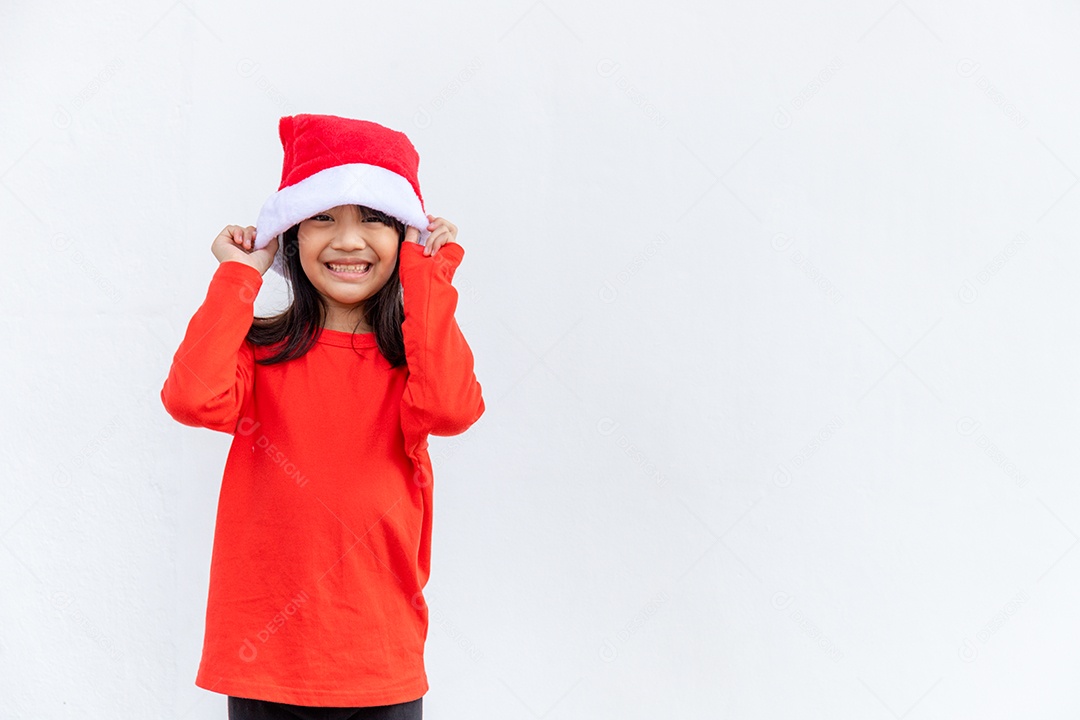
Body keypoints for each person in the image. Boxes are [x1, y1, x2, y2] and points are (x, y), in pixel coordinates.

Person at [160, 114, 485, 720]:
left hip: (379, 663)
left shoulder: (414, 363)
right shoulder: (257, 351)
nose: (348, 240)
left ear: (406, 237)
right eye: (323, 217)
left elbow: (451, 408)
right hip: (265, 666)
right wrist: (239, 273)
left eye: (375, 219)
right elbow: (191, 398)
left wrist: (427, 278)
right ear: (290, 234)